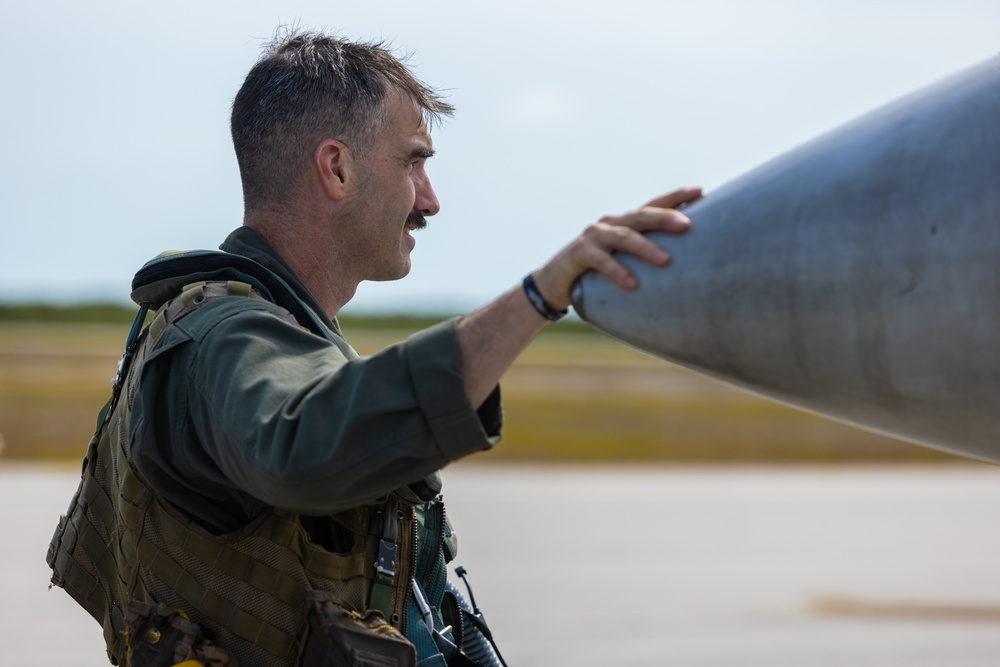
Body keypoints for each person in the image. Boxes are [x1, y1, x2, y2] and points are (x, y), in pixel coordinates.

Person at [46, 29, 701, 667]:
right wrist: (537, 297)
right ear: (336, 168)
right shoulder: (221, 336)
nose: (430, 200)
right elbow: (303, 445)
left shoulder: (265, 328)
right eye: (413, 161)